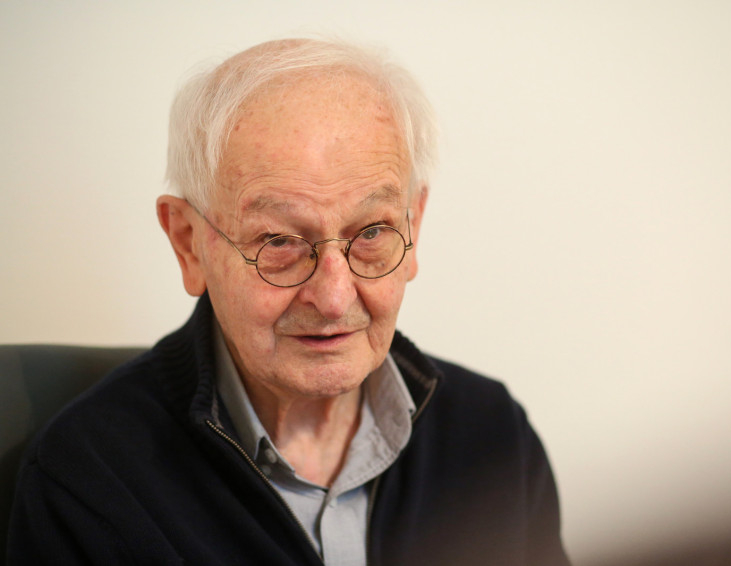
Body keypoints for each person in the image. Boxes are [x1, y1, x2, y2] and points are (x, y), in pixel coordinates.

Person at [7, 38, 570, 565]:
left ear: (414, 228)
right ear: (188, 243)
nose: (333, 297)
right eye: (279, 242)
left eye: (372, 232)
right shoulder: (89, 482)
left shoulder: (492, 438)